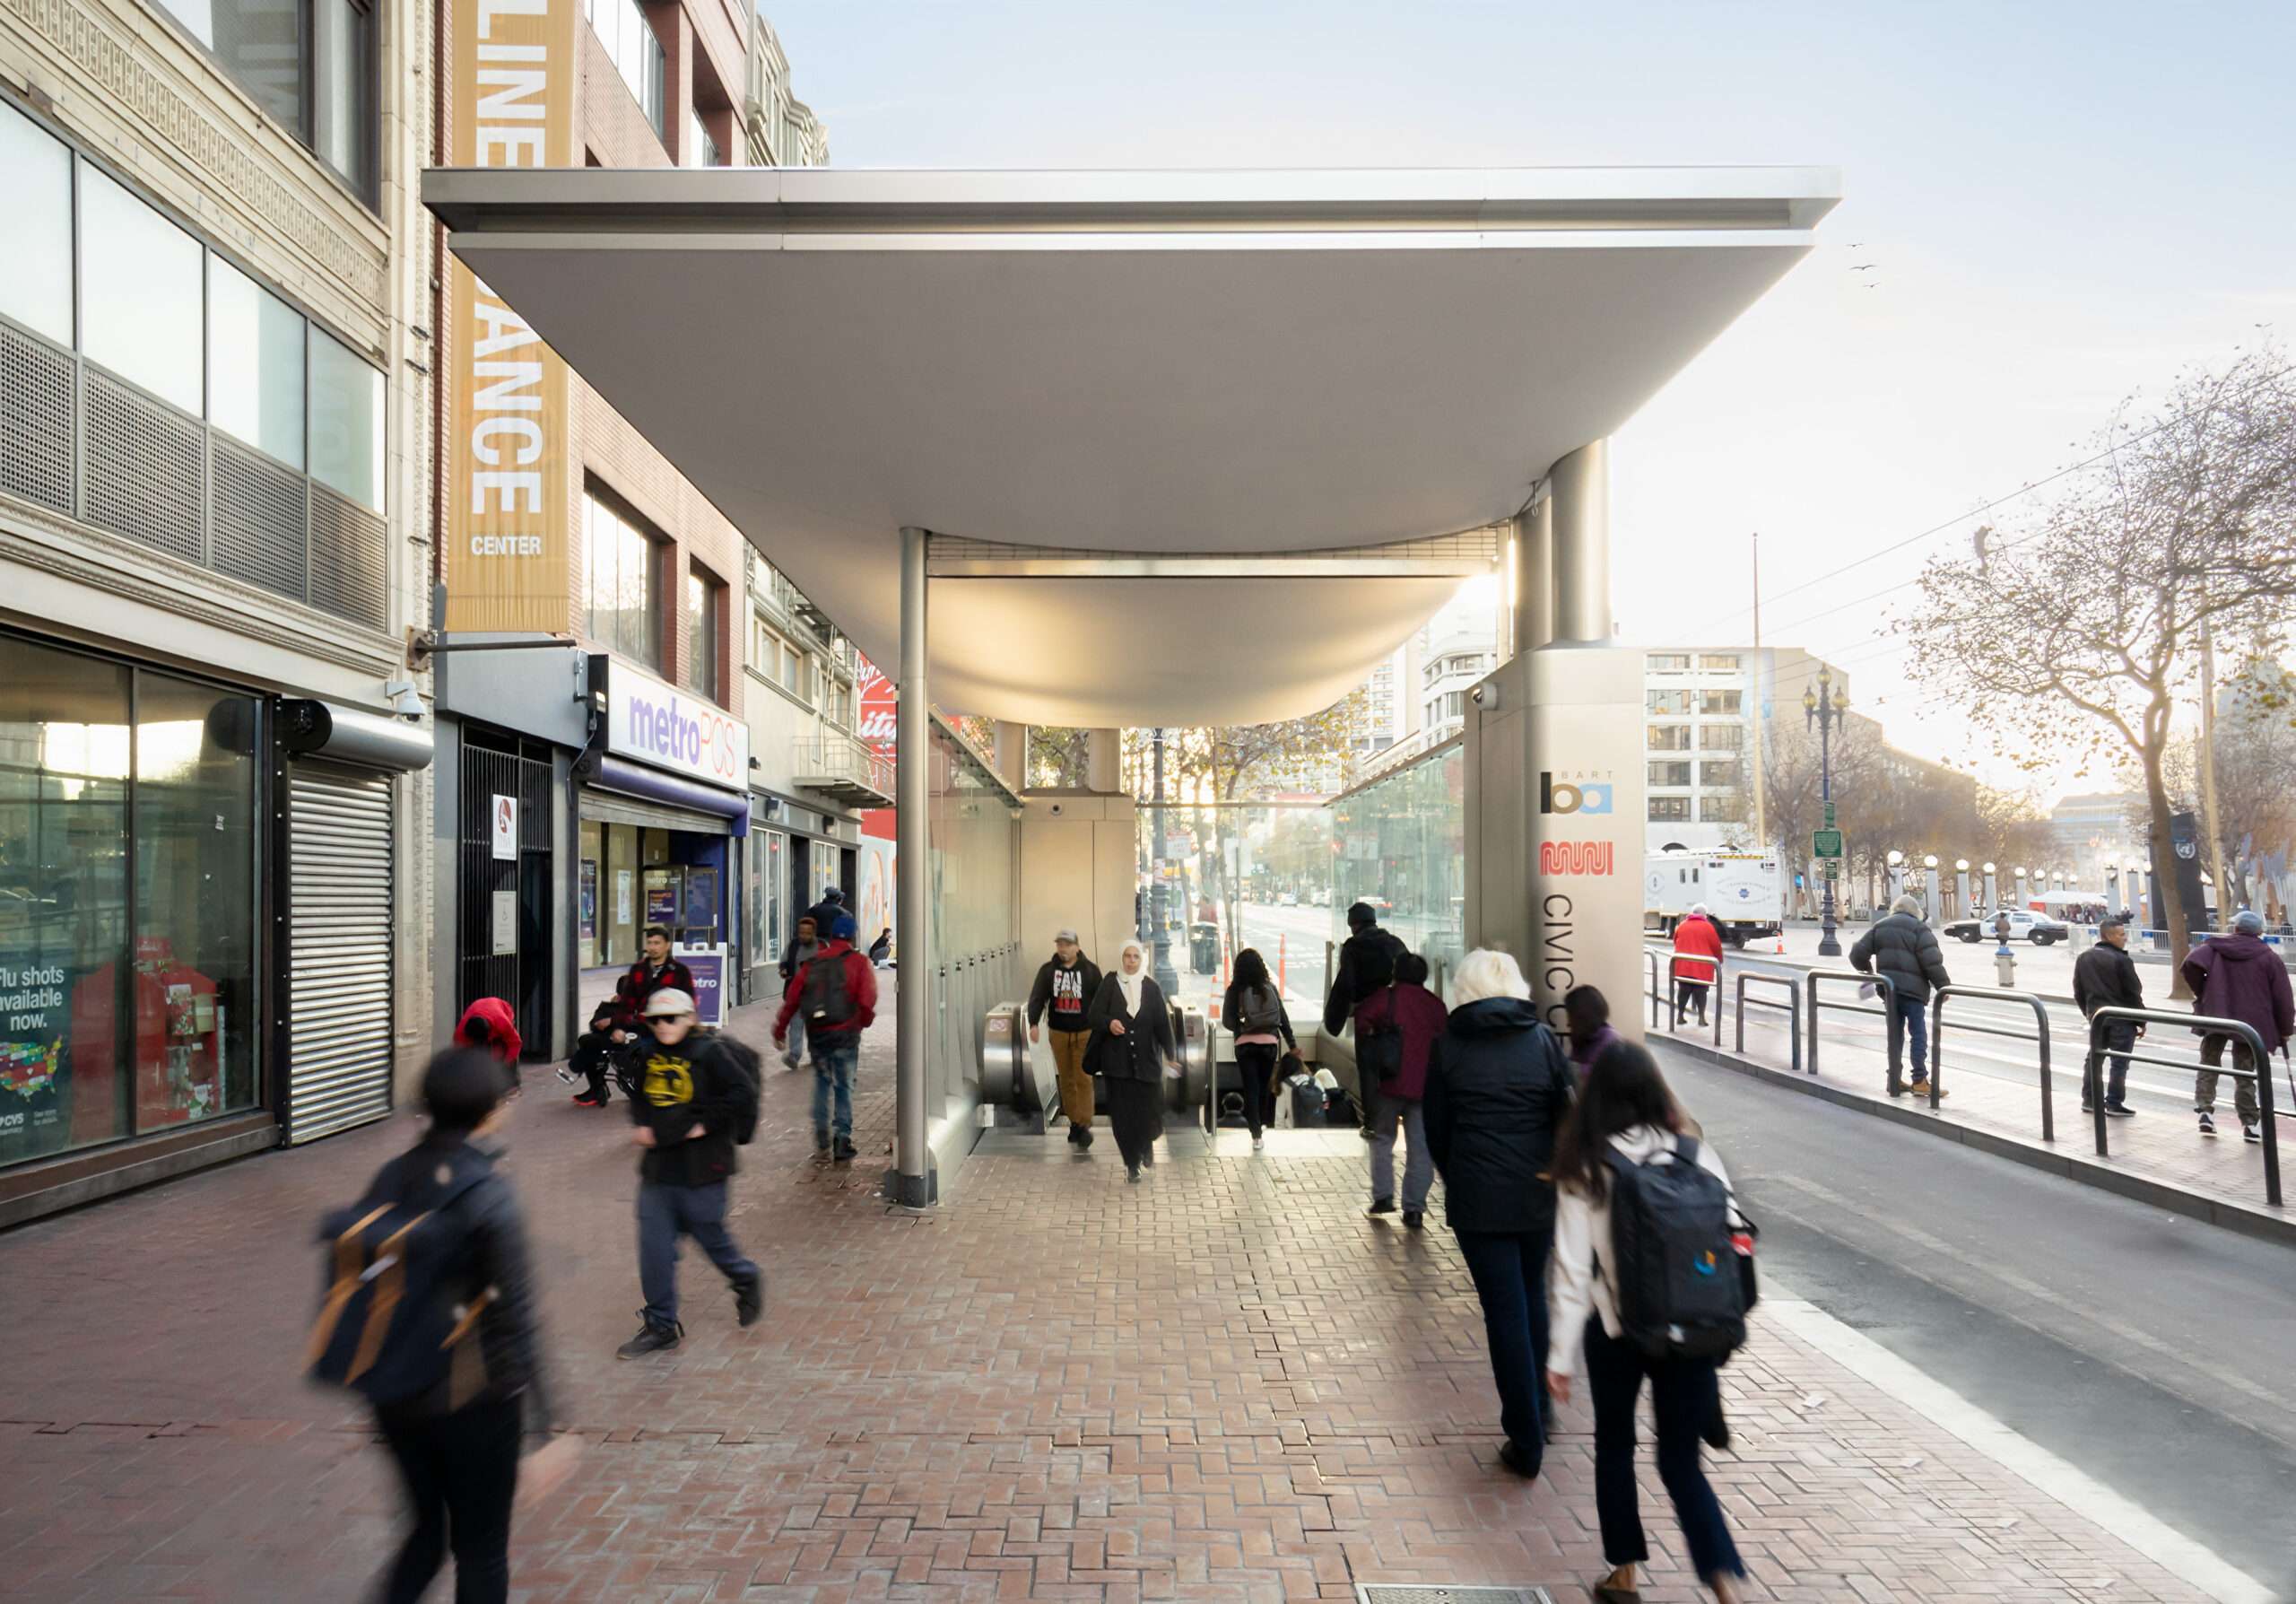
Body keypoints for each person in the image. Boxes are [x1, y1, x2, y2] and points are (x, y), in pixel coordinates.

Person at [362, 1048, 572, 1604]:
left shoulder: (392, 1175)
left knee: (425, 1534)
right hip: (475, 1400)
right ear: (489, 1112)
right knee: (481, 1552)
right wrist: (547, 1428)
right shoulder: (488, 1193)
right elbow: (517, 1317)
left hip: (397, 1394)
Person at [1546, 1043, 1747, 1604]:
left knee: (1615, 1443)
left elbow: (1569, 1272)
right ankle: (1725, 1582)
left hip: (1616, 1331)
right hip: (1693, 1328)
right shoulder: (1697, 1155)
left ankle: (1624, 1571)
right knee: (1681, 1462)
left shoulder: (1588, 1164)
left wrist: (1559, 1358)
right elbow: (1733, 1242)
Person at [1422, 948, 1576, 1479]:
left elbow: (1435, 1131)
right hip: (1537, 1195)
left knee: (1505, 1311)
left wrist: (1460, 1173)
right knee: (1532, 1297)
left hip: (1478, 1199)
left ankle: (1526, 1436)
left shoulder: (1448, 1047)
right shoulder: (1542, 1041)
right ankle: (1541, 1410)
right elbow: (1565, 1115)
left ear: (1462, 990)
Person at [619, 989, 763, 1358]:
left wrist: (704, 1124)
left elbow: (742, 1093)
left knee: (711, 1239)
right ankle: (661, 1324)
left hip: (704, 1168)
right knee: (654, 1247)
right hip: (659, 1168)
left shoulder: (709, 1052)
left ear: (690, 1018)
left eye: (672, 1018)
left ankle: (745, 1277)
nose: (663, 1026)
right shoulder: (648, 1053)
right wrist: (641, 1125)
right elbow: (639, 1096)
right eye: (655, 1020)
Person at [773, 912, 879, 1161]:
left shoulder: (813, 962)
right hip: (846, 1033)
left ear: (830, 936)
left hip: (818, 1033)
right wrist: (862, 1023)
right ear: (853, 936)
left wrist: (780, 1030)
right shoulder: (859, 962)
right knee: (844, 1086)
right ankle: (842, 1138)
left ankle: (821, 1133)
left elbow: (793, 999)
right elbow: (867, 999)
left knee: (822, 1081)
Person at [2182, 909, 2293, 1143]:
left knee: (2209, 1062)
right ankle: (2250, 1122)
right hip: (2250, 1024)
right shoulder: (2269, 957)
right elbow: (2283, 997)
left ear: (2235, 929)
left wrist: (2203, 991)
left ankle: (2204, 1110)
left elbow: (2190, 964)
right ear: (2260, 932)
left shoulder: (2215, 948)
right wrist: (2285, 1028)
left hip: (2217, 1013)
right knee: (2245, 1072)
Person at [1351, 952, 1447, 1224]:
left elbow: (1362, 1020)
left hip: (1389, 1081)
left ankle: (1383, 1197)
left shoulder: (1387, 997)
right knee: (1421, 1146)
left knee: (1382, 1139)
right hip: (1425, 1086)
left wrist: (1376, 1036)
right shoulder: (1435, 1005)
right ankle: (1414, 1209)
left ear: (1396, 972)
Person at [1086, 940, 1177, 1182]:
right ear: (1121, 958)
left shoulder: (1151, 988)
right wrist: (1109, 1023)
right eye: (1127, 956)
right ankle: (1131, 1163)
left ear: (1142, 959)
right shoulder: (1110, 983)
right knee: (1123, 1117)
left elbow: (1162, 1026)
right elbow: (1093, 1015)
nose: (1131, 961)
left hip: (1147, 1063)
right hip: (1117, 1065)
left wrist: (1171, 1054)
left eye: (1136, 956)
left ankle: (1146, 1144)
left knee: (1150, 1112)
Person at [1849, 894, 1953, 1098]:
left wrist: (1869, 972)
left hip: (1889, 991)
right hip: (1913, 992)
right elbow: (1932, 961)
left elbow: (1857, 954)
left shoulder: (1880, 926)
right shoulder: (1919, 928)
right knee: (1918, 1034)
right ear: (1916, 912)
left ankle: (1894, 1079)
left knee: (1895, 1036)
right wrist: (1943, 986)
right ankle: (1919, 1080)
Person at [1323, 902, 1407, 1127]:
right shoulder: (1395, 944)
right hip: (1394, 1017)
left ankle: (1372, 1124)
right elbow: (1407, 977)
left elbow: (1346, 984)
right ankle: (1399, 1117)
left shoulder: (1353, 948)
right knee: (1395, 1067)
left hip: (1367, 1019)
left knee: (1369, 1073)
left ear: (1353, 924)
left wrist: (1334, 1020)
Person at [1030, 929, 1107, 1150]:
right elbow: (1037, 997)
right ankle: (1075, 1122)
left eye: (1067, 944)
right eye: (1060, 944)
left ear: (1077, 947)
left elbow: (1101, 1000)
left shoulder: (1091, 971)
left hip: (1085, 1032)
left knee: (1083, 1077)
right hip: (1059, 1032)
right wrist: (1034, 1024)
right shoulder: (1048, 972)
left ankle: (1084, 1123)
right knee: (1066, 1079)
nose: (1063, 949)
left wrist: (1102, 1028)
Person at [1220, 946, 1298, 1151]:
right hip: (1269, 1046)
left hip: (1245, 1047)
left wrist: (1242, 1027)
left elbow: (1227, 1020)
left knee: (1251, 1089)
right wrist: (1292, 1044)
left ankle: (1256, 1134)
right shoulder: (1269, 987)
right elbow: (1282, 1018)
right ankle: (1261, 1122)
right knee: (1264, 1088)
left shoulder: (1234, 990)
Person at [2072, 914, 2144, 1117]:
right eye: (2121, 935)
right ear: (2110, 936)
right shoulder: (2122, 960)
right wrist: (2141, 1020)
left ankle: (2089, 1100)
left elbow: (2078, 991)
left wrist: (2089, 1013)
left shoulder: (2084, 958)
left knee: (2094, 1059)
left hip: (2097, 1018)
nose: (2125, 938)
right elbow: (2133, 993)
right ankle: (2114, 1102)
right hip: (2121, 1018)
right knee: (2119, 1063)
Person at [609, 927, 695, 1045]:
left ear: (667, 945)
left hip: (669, 1028)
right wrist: (620, 1027)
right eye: (649, 943)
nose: (652, 947)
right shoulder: (637, 969)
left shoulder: (680, 971)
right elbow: (627, 1003)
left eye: (657, 943)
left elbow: (690, 1003)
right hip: (642, 1026)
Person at [777, 915, 822, 1071]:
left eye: (807, 933)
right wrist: (783, 969)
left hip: (816, 994)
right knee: (796, 1024)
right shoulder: (793, 945)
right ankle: (794, 1056)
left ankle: (816, 1055)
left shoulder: (822, 946)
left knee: (814, 1026)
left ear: (814, 933)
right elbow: (784, 961)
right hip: (796, 992)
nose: (803, 936)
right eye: (801, 932)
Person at [1669, 905, 1725, 1027]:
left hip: (1683, 965)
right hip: (1702, 967)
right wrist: (1719, 960)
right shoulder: (1708, 927)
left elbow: (1675, 941)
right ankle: (1701, 1018)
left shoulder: (1682, 925)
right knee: (1701, 993)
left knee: (1683, 991)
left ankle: (1680, 1016)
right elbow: (1716, 946)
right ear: (1704, 915)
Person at [452, 997, 523, 1092]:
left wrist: (505, 1064)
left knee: (502, 1049)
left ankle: (513, 1082)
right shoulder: (460, 1033)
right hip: (481, 1009)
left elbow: (515, 1043)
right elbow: (460, 1056)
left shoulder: (502, 1022)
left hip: (501, 1009)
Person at [568, 998, 625, 1108]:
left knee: (589, 1044)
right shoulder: (608, 1006)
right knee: (587, 1041)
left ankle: (597, 1088)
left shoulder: (638, 1003)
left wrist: (612, 1021)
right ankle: (597, 1087)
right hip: (611, 1037)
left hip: (629, 1038)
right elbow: (594, 1024)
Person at [1563, 985, 1621, 1082]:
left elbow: (1594, 1075)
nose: (1568, 1023)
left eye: (1570, 1016)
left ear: (1582, 1017)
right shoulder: (1583, 1038)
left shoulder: (1610, 1041)